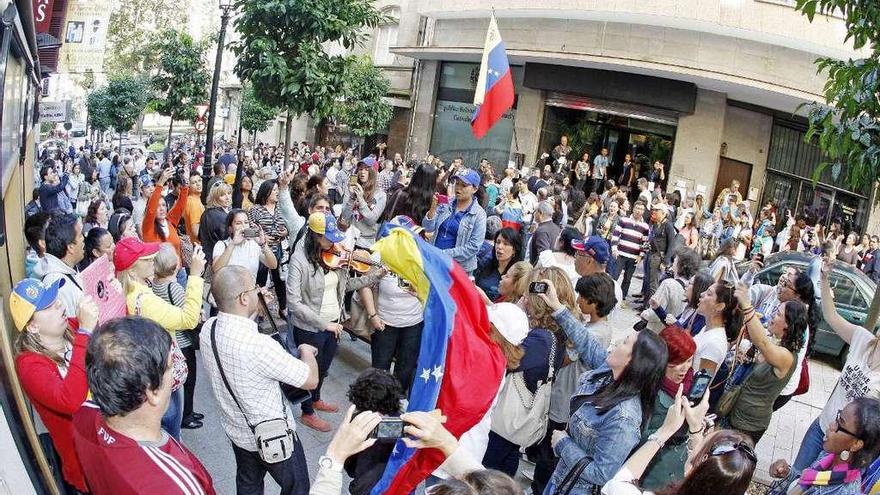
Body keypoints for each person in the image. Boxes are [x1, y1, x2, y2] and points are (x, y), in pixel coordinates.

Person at [534, 276, 667, 493]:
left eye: (625, 343)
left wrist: (563, 443)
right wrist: (557, 307)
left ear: (633, 362)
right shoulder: (609, 374)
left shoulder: (624, 417)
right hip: (562, 478)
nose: (616, 343)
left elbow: (601, 473)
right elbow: (586, 342)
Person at [199, 265, 319, 495]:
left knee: (248, 484)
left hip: (237, 429)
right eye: (255, 288)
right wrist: (305, 352)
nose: (259, 290)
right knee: (297, 486)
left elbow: (238, 325)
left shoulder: (209, 330)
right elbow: (311, 380)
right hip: (274, 436)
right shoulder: (260, 346)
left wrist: (255, 306)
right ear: (244, 298)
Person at [72, 317, 216, 495]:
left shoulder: (82, 415)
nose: (176, 370)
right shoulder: (175, 487)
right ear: (152, 392)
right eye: (171, 366)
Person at [286, 212, 383, 432]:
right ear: (314, 236)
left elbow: (345, 287)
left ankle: (316, 399)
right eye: (328, 237)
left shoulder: (332, 255)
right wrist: (324, 324)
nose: (334, 242)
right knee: (309, 371)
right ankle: (307, 412)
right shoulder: (299, 259)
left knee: (324, 367)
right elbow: (293, 303)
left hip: (333, 321)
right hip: (311, 326)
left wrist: (375, 276)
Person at [790, 257, 880, 473]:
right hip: (822, 427)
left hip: (843, 449)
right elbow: (831, 316)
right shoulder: (862, 339)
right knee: (794, 477)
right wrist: (825, 277)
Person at [114, 237, 206, 440]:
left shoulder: (128, 291)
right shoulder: (144, 301)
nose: (152, 260)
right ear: (131, 270)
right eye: (146, 260)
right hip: (161, 375)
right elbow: (189, 319)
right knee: (170, 431)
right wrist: (195, 275)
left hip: (147, 372)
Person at [12, 279, 98, 494]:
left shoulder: (70, 327)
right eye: (48, 306)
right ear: (32, 326)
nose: (59, 304)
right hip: (87, 465)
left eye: (55, 299)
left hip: (109, 443)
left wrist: (108, 292)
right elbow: (70, 400)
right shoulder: (29, 364)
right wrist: (85, 333)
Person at [603, 391, 756, 495]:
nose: (700, 440)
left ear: (697, 465)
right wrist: (696, 430)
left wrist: (664, 431)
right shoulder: (732, 485)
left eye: (704, 438)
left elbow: (617, 483)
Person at [482, 301, 563, 477]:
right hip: (512, 422)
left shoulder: (540, 339)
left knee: (489, 467)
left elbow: (511, 360)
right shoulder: (550, 334)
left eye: (529, 296)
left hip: (508, 418)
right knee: (508, 458)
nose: (525, 299)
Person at [724, 284, 805, 443]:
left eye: (778, 314)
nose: (773, 316)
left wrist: (747, 305)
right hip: (735, 413)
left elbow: (761, 343)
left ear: (787, 324)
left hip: (748, 425)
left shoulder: (786, 357)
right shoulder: (775, 343)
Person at [768, 398, 880, 495]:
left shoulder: (843, 491)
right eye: (838, 418)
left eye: (840, 424)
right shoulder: (828, 456)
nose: (831, 426)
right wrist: (787, 473)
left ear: (856, 444)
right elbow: (804, 481)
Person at [636, 326, 699, 490]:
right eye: (678, 362)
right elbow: (634, 436)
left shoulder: (692, 385)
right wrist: (672, 428)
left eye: (689, 360)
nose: (685, 368)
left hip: (676, 472)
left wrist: (698, 423)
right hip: (649, 474)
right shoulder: (648, 388)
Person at [151, 244, 203, 431]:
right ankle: (186, 415)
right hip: (183, 341)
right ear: (175, 264)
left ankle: (188, 411)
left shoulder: (154, 285)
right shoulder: (174, 288)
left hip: (170, 339)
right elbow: (191, 315)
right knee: (189, 380)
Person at [342, 369, 405, 494]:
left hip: (364, 483)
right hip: (390, 480)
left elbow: (349, 459)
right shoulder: (398, 423)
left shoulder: (358, 419)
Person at [423, 169, 487, 275]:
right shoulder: (447, 204)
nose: (458, 188)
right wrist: (433, 208)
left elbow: (473, 247)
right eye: (457, 184)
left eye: (464, 185)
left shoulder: (479, 214)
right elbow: (428, 228)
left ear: (474, 189)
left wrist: (444, 253)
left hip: (458, 269)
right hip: (435, 261)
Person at [248, 179, 288, 316]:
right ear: (267, 192)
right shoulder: (255, 209)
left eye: (278, 190)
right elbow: (250, 229)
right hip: (261, 252)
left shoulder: (279, 209)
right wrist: (262, 236)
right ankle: (259, 311)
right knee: (260, 281)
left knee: (280, 281)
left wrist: (285, 232)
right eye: (275, 190)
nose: (277, 193)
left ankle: (283, 308)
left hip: (277, 250)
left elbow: (285, 226)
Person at [640, 248, 701, 332]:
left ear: (681, 265)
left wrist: (644, 314)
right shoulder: (692, 287)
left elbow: (654, 314)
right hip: (673, 334)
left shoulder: (668, 284)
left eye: (675, 261)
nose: (673, 264)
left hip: (657, 331)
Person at [692, 281, 741, 376]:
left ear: (719, 306)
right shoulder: (707, 328)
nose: (702, 294)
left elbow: (699, 387)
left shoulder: (714, 342)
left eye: (708, 293)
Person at [42, 213, 86, 316]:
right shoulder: (58, 287)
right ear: (70, 247)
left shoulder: (69, 268)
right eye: (80, 235)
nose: (84, 238)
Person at [212, 209, 277, 276]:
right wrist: (232, 244)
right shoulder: (221, 245)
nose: (243, 226)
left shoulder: (253, 244)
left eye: (246, 222)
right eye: (238, 223)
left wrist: (263, 244)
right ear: (230, 229)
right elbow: (216, 269)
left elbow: (273, 265)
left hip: (250, 286)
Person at [142, 167, 189, 260]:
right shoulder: (148, 227)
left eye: (163, 205)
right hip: (160, 273)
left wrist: (184, 184)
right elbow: (151, 209)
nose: (161, 209)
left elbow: (181, 205)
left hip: (178, 271)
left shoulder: (169, 221)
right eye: (158, 206)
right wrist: (160, 183)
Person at [342, 160, 387, 248]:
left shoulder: (380, 195)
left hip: (366, 242)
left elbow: (371, 221)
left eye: (367, 169)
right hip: (349, 238)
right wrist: (351, 197)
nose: (362, 172)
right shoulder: (352, 189)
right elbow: (345, 216)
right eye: (360, 169)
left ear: (373, 172)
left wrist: (361, 200)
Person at [653, 271, 713, 337]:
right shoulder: (690, 308)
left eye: (690, 283)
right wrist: (657, 308)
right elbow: (670, 322)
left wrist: (675, 323)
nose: (686, 284)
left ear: (698, 288)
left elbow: (690, 341)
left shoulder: (701, 316)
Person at [612, 202, 649, 302]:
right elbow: (615, 235)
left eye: (641, 209)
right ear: (633, 209)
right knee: (614, 275)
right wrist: (614, 249)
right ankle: (610, 295)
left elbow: (645, 243)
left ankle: (622, 298)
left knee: (627, 279)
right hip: (621, 253)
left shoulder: (645, 226)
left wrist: (641, 255)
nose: (638, 211)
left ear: (643, 211)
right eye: (637, 208)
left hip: (634, 256)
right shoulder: (623, 220)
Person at [475, 228, 523, 304]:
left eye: (505, 244)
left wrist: (487, 302)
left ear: (514, 250)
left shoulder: (519, 274)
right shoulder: (484, 264)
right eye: (498, 242)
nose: (499, 247)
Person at [644, 203, 676, 304]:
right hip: (651, 254)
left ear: (663, 213)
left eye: (657, 210)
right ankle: (645, 303)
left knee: (654, 283)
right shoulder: (656, 223)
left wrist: (665, 262)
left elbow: (671, 245)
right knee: (648, 280)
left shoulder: (668, 225)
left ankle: (650, 308)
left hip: (658, 257)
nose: (654, 212)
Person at [199, 182, 233, 266]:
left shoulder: (206, 213)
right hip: (219, 260)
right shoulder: (221, 216)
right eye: (222, 195)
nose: (227, 197)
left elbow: (200, 236)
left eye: (229, 193)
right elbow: (228, 238)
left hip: (208, 258)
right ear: (215, 198)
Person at [529, 201, 561, 265]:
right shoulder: (556, 228)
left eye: (535, 211)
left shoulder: (541, 231)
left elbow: (543, 256)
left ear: (540, 213)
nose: (534, 214)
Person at [182, 171, 205, 243]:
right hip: (198, 245)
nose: (198, 184)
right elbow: (195, 231)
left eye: (199, 181)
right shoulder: (193, 203)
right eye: (194, 183)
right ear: (189, 186)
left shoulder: (193, 200)